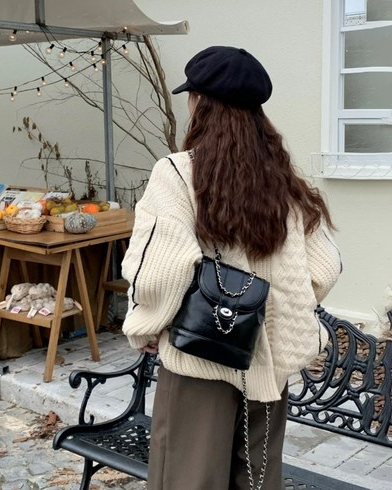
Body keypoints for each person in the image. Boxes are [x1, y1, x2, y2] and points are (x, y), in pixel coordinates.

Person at [121, 45, 342, 490]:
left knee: (187, 479)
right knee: (257, 482)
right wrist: (271, 310)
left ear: (200, 102)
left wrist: (146, 327)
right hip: (268, 368)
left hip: (200, 360)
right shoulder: (286, 182)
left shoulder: (178, 174)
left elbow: (161, 272)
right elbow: (324, 267)